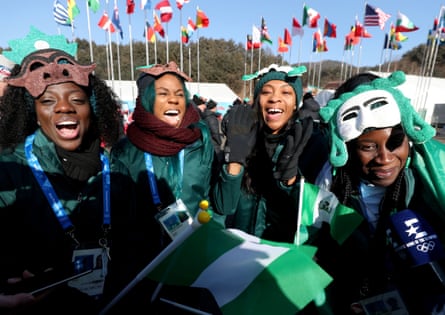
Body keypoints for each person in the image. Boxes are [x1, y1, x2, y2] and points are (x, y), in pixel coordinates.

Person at [0, 47, 133, 314]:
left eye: (77, 100)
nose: (64, 107)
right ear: (34, 113)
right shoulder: (9, 171)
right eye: (48, 101)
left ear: (91, 109)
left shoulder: (116, 169)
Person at [312, 71, 445, 314]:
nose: (384, 158)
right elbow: (321, 254)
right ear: (346, 146)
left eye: (395, 141)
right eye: (367, 147)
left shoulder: (434, 177)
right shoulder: (330, 183)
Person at [107, 61, 223, 314]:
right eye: (163, 93)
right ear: (146, 99)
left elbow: (220, 200)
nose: (173, 100)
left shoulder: (200, 142)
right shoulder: (125, 150)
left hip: (194, 261)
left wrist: (233, 168)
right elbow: (118, 219)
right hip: (146, 268)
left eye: (179, 94)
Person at [213, 63, 329, 243]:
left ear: (296, 104)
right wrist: (234, 160)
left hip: (282, 257)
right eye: (266, 92)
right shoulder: (241, 136)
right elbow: (223, 206)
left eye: (286, 92)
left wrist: (291, 183)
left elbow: (317, 217)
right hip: (239, 248)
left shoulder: (312, 143)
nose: (275, 98)